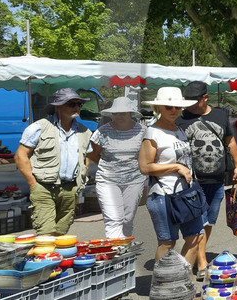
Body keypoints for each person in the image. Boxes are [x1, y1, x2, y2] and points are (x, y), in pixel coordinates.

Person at [178, 80, 237, 267]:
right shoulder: (181, 118)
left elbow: (230, 141)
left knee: (209, 221)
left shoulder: (220, 115)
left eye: (194, 100)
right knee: (198, 220)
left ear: (205, 98)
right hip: (193, 180)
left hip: (217, 178)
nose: (190, 104)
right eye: (187, 100)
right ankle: (201, 262)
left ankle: (191, 256)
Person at [139, 86, 204, 262]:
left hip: (185, 193)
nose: (174, 110)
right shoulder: (153, 132)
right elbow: (145, 167)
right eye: (169, 107)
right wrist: (176, 167)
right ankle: (160, 284)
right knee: (168, 242)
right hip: (163, 195)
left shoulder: (179, 130)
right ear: (158, 108)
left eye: (177, 107)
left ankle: (182, 279)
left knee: (195, 237)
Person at [15, 88, 93, 235]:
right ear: (57, 107)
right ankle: (44, 256)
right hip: (44, 187)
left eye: (79, 104)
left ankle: (54, 257)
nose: (76, 107)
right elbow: (20, 156)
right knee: (46, 232)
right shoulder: (39, 127)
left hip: (70, 189)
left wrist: (81, 180)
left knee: (61, 233)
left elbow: (86, 159)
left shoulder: (85, 131)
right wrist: (33, 183)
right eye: (71, 104)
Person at [88, 97, 146, 239]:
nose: (119, 116)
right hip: (107, 180)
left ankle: (124, 250)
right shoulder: (103, 131)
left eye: (123, 113)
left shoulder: (143, 131)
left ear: (130, 114)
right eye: (116, 113)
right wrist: (109, 166)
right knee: (113, 219)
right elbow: (92, 153)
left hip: (134, 180)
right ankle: (114, 254)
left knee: (127, 218)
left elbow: (147, 155)